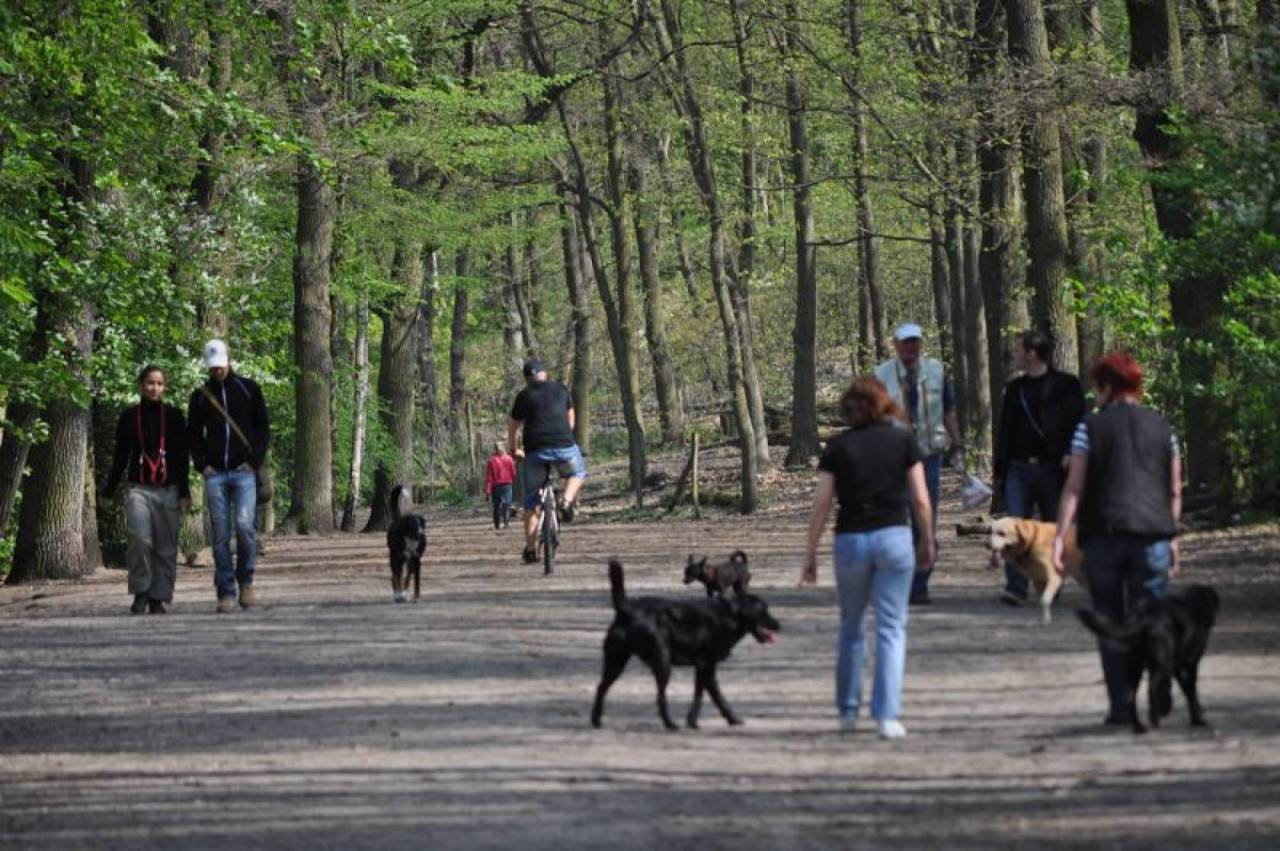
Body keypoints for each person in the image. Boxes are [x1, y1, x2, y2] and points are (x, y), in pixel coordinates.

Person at [800, 377, 935, 739]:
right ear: (884, 404)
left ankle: (847, 712)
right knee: (891, 628)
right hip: (894, 536)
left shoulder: (837, 447)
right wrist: (928, 539)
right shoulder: (904, 441)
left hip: (851, 539)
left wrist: (810, 553)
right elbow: (920, 498)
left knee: (851, 626)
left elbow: (822, 503)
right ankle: (886, 716)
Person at [1052, 352, 1181, 726]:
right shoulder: (1163, 428)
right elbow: (1174, 489)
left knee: (1109, 618)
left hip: (1104, 536)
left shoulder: (1089, 427)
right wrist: (1173, 536)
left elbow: (1074, 487)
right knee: (1151, 619)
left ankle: (1121, 705)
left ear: (1106, 387)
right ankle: (1157, 687)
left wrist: (1060, 535)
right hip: (1153, 535)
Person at [992, 330, 1085, 606]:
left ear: (1032, 354)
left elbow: (1079, 422)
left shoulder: (1066, 385)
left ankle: (1050, 581)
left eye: (1018, 350)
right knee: (1012, 527)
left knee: (1054, 528)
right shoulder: (1015, 389)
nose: (1014, 355)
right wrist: (1000, 470)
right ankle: (1016, 587)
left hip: (1052, 469)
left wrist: (1070, 453)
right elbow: (1005, 431)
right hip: (1018, 469)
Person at [874, 323, 962, 605]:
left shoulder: (936, 371)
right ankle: (896, 582)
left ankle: (920, 584)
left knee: (925, 520)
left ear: (921, 343)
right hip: (893, 459)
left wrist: (957, 443)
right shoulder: (881, 375)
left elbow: (949, 410)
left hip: (928, 456)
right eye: (905, 342)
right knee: (894, 520)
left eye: (915, 342)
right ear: (896, 344)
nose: (910, 347)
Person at [188, 339, 271, 614]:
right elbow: (193, 434)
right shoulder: (200, 396)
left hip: (243, 472)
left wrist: (253, 461)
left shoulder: (249, 389)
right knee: (221, 533)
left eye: (221, 365)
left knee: (245, 527)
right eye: (213, 367)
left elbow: (262, 429)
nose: (218, 370)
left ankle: (246, 581)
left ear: (228, 360)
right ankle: (225, 591)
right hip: (215, 474)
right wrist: (202, 465)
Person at [101, 366, 191, 615]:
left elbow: (181, 456)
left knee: (166, 546)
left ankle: (158, 597)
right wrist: (108, 490)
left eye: (159, 383)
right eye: (150, 383)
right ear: (141, 384)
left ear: (164, 387)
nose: (154, 388)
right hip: (138, 488)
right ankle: (141, 591)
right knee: (139, 539)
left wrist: (184, 491)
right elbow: (120, 455)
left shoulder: (174, 416)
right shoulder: (129, 417)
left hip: (168, 489)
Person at [508, 358, 587, 564]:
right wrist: (563, 436)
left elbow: (513, 427)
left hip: (535, 451)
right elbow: (571, 420)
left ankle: (531, 549)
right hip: (563, 446)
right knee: (578, 472)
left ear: (527, 379)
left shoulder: (524, 395)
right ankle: (566, 501)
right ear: (546, 374)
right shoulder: (561, 389)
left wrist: (514, 450)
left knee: (531, 502)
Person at [484, 441, 516, 531]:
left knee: (496, 506)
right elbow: (513, 473)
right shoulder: (509, 459)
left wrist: (488, 491)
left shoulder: (491, 460)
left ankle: (497, 526)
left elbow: (489, 477)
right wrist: (510, 480)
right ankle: (506, 524)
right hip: (507, 484)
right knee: (506, 505)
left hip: (496, 486)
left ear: (495, 449)